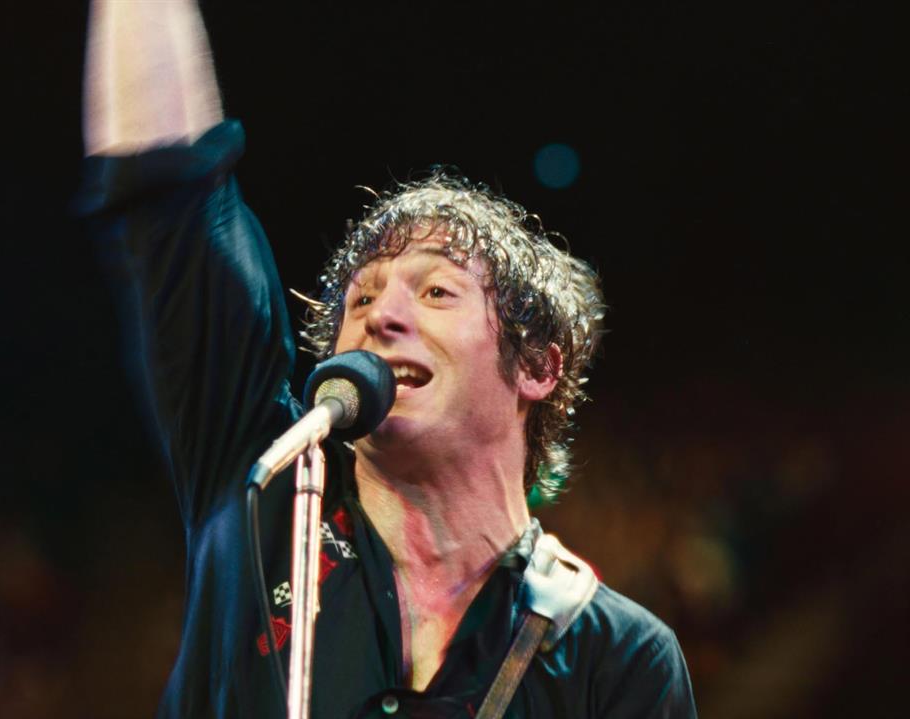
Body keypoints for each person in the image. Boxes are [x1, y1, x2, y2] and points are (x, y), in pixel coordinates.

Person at [77, 1, 697, 717]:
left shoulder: (620, 660)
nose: (380, 316)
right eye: (362, 297)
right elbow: (168, 197)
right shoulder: (266, 490)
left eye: (436, 291)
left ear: (535, 367)